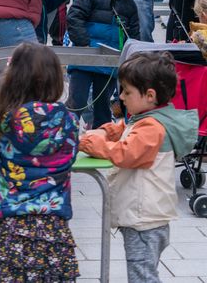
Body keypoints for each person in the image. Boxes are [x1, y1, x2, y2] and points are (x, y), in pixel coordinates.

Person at [79, 53, 197, 282]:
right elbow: (125, 127)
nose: (121, 97)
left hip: (143, 220)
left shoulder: (151, 128)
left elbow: (126, 153)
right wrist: (105, 131)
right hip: (147, 217)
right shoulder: (152, 117)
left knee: (142, 277)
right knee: (144, 274)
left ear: (150, 95)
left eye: (127, 91)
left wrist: (90, 142)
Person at [0, 44, 80, 282]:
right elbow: (70, 157)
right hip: (55, 232)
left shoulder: (5, 120)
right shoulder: (69, 120)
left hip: (9, 229)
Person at [66, 0, 141, 128]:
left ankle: (101, 139)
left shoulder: (129, 5)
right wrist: (83, 43)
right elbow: (74, 16)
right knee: (77, 101)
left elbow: (134, 34)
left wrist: (131, 57)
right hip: (84, 60)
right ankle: (63, 135)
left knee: (102, 106)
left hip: (109, 65)